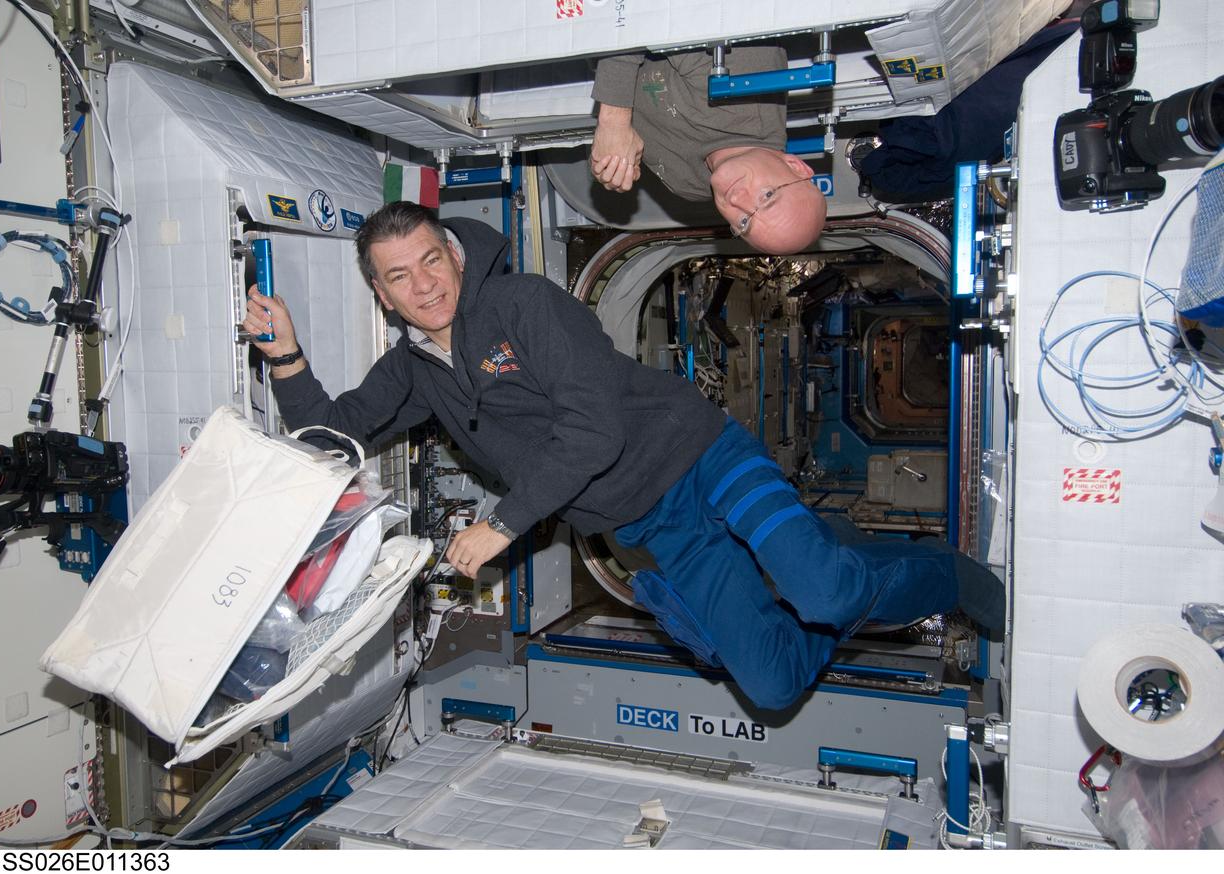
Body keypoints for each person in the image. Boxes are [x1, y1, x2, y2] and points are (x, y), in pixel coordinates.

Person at [243, 201, 1001, 711]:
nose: (424, 284)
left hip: (703, 462)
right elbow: (332, 435)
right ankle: (823, 552)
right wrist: (285, 356)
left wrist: (502, 525)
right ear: (383, 295)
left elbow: (594, 428)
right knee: (772, 685)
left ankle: (945, 574)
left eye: (431, 260)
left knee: (826, 593)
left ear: (455, 256)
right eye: (400, 276)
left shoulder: (522, 305)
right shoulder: (414, 371)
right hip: (658, 529)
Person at [589, 47, 827, 255]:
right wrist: (614, 120)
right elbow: (633, 17)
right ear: (795, 166)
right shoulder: (746, 78)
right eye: (767, 196)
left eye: (744, 222)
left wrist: (611, 164)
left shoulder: (690, 188)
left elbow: (621, 140)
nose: (736, 200)